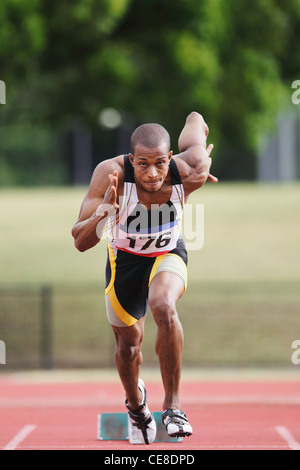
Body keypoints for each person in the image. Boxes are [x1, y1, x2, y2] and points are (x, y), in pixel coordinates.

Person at [71, 111, 217, 444]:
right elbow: (80, 241)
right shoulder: (111, 175)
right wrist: (103, 212)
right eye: (142, 165)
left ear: (171, 159)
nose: (151, 174)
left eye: (160, 164)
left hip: (167, 253)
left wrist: (204, 158)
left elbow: (196, 118)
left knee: (163, 305)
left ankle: (174, 407)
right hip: (125, 262)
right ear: (131, 160)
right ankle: (137, 408)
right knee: (128, 349)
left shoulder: (192, 166)